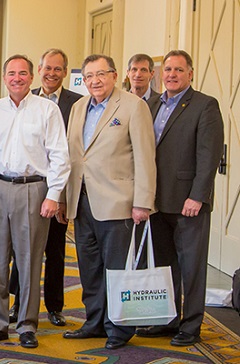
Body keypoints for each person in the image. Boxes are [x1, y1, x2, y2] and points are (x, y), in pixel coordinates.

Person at [59, 54, 156, 350]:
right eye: (89, 76)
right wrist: (64, 200)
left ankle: (119, 327)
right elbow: (73, 157)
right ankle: (95, 321)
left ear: (115, 75)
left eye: (101, 74)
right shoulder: (78, 107)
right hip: (82, 200)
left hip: (119, 202)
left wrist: (143, 202)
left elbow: (145, 157)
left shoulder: (133, 106)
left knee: (116, 268)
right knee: (89, 267)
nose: (95, 81)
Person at [0, 55, 70, 349]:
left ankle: (27, 325)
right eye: (11, 73)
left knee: (29, 259)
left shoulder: (47, 110)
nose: (16, 78)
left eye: (22, 73)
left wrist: (53, 195)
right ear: (4, 78)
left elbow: (59, 155)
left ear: (32, 77)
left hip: (34, 190)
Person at [135, 50, 224, 346]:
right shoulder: (150, 104)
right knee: (164, 265)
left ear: (191, 74)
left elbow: (208, 156)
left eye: (179, 70)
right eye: (168, 69)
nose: (171, 74)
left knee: (191, 267)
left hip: (188, 202)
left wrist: (197, 196)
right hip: (157, 201)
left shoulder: (204, 105)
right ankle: (168, 319)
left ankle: (191, 324)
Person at [8, 49, 81, 327]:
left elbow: (70, 153)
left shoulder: (77, 103)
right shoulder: (26, 97)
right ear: (39, 70)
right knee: (21, 249)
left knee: (55, 249)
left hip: (56, 192)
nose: (52, 73)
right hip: (30, 188)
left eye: (58, 69)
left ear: (65, 72)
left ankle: (54, 306)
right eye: (47, 68)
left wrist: (61, 196)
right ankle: (18, 303)